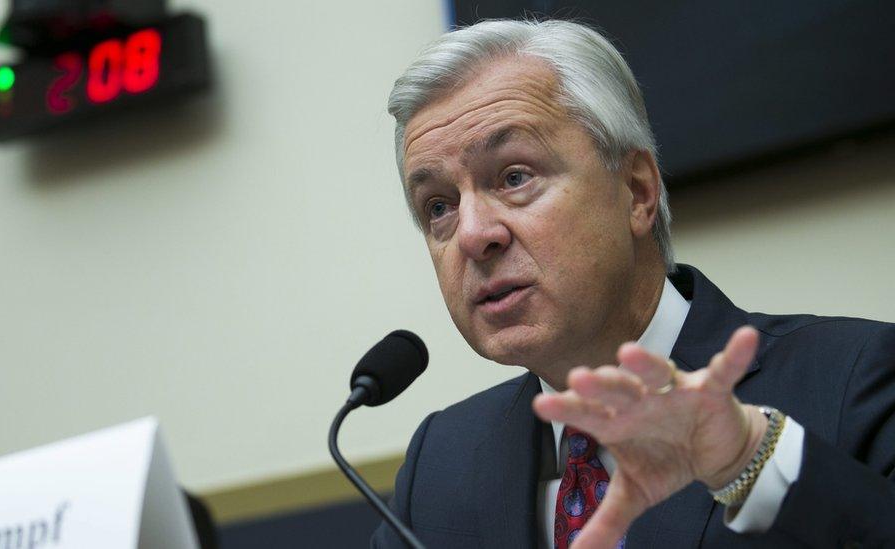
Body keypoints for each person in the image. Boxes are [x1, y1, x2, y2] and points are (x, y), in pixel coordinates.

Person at [372, 19, 895, 549]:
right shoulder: (440, 466)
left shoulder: (853, 381)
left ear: (638, 191)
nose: (473, 234)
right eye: (439, 206)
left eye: (514, 177)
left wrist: (750, 462)